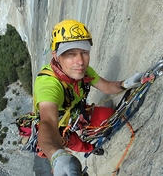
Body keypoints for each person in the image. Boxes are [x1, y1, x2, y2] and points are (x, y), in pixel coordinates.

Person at [33, 19, 143, 176]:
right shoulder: (48, 84)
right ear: (56, 56)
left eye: (84, 52)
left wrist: (126, 84)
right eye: (71, 53)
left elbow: (106, 86)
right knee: (75, 146)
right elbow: (48, 122)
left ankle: (90, 138)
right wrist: (57, 156)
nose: (80, 61)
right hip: (59, 127)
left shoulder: (83, 71)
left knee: (109, 117)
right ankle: (91, 148)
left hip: (77, 113)